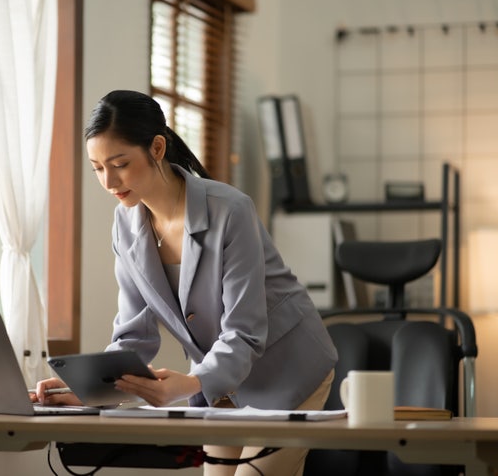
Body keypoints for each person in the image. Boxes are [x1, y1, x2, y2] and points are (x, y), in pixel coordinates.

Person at [34, 89, 338, 475]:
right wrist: (87, 388)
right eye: (97, 168)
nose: (109, 181)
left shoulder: (231, 210)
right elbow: (134, 338)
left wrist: (190, 382)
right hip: (219, 379)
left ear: (157, 148)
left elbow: (245, 332)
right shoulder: (126, 226)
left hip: (287, 368)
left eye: (120, 163)